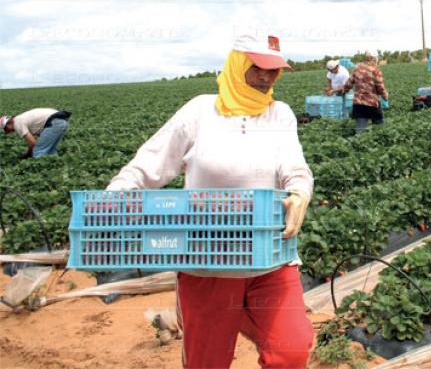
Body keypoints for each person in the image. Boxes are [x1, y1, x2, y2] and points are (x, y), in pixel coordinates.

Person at [105, 33, 314, 368]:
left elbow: (294, 166)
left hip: (270, 256)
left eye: (274, 70)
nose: (266, 76)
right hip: (208, 261)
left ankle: (245, 311)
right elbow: (150, 163)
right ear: (237, 64)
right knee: (207, 361)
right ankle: (233, 314)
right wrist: (115, 196)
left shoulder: (281, 114)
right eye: (257, 67)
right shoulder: (201, 112)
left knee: (291, 350)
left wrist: (300, 191)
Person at [341, 52, 388, 134]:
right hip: (372, 102)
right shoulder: (375, 71)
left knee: (360, 128)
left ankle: (358, 143)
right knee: (379, 126)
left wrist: (344, 91)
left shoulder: (356, 70)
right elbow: (380, 86)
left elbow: (348, 84)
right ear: (374, 60)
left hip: (358, 103)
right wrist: (385, 96)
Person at [1, 108, 71, 159]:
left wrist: (28, 153)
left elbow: (32, 143)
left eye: (6, 129)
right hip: (62, 121)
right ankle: (54, 167)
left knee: (38, 152)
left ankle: (42, 174)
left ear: (8, 124)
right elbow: (39, 136)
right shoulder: (20, 118)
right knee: (50, 151)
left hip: (54, 123)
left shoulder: (17, 123)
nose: (9, 131)